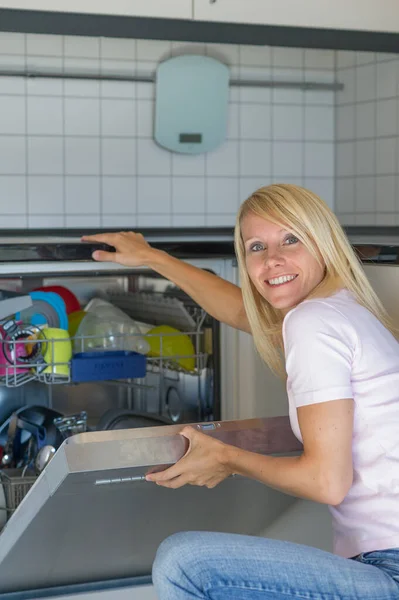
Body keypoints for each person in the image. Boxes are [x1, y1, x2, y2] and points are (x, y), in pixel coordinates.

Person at [82, 184, 399, 599]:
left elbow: (326, 482)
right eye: (255, 247)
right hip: (381, 560)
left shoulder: (314, 322)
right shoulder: (341, 306)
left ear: (323, 243)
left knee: (186, 563)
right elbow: (238, 309)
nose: (272, 260)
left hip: (389, 571)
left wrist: (226, 457)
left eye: (291, 239)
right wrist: (153, 257)